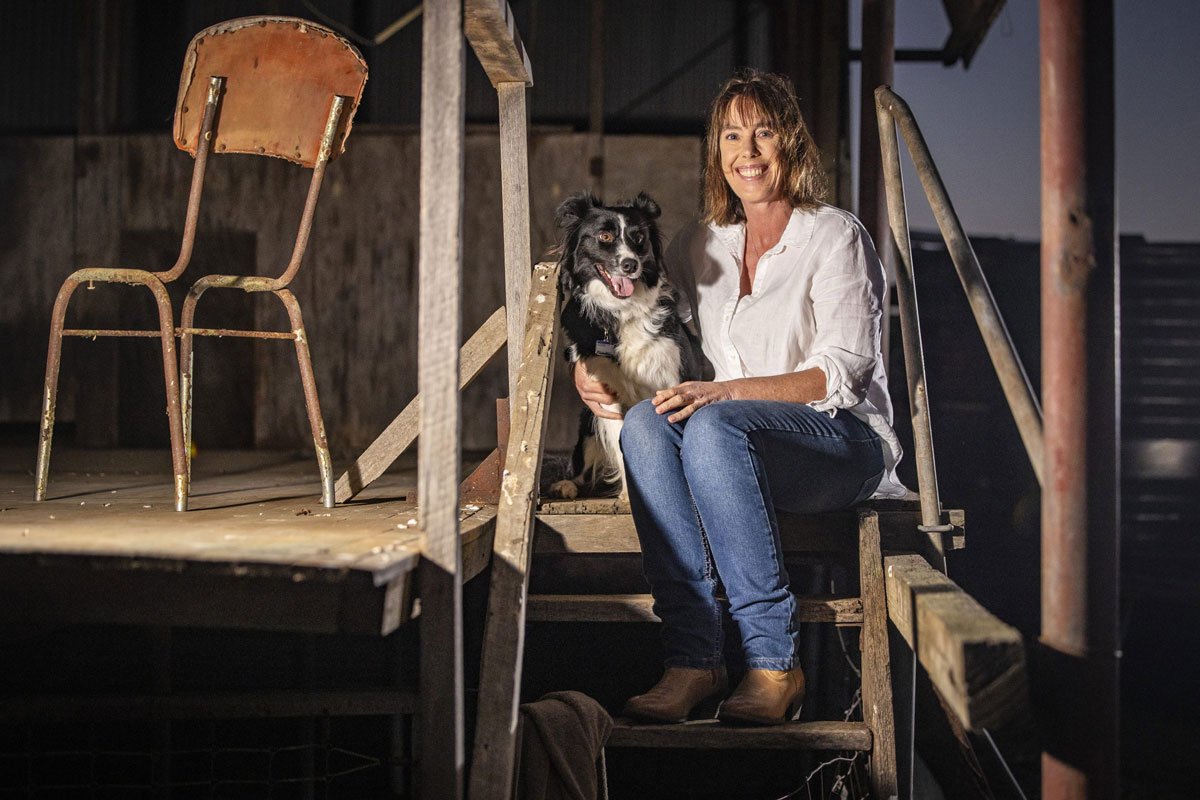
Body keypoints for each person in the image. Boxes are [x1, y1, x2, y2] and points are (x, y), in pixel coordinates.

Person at [571, 68, 908, 726]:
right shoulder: (702, 246)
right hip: (724, 446)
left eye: (762, 133)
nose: (747, 151)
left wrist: (722, 396)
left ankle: (774, 664)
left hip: (838, 443)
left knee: (715, 425)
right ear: (716, 152)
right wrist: (606, 378)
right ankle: (694, 659)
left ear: (792, 145)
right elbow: (663, 344)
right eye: (732, 136)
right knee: (645, 426)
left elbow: (841, 375)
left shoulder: (835, 236)